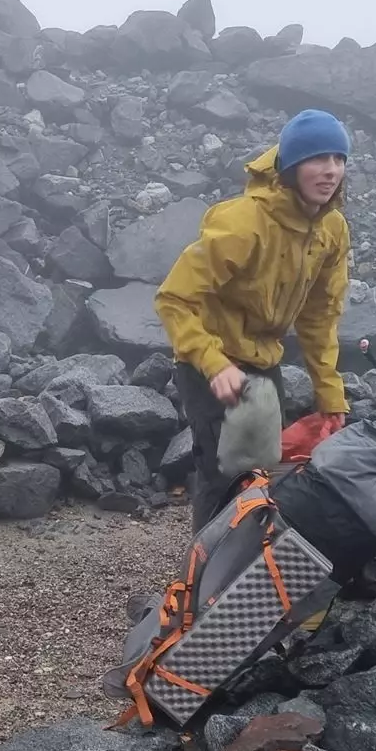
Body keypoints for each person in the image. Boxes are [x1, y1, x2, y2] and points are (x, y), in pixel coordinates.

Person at [155, 108, 353, 528]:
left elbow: (320, 316)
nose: (330, 170)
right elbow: (174, 299)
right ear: (293, 166)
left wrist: (329, 394)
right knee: (221, 472)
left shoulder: (331, 229)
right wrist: (214, 365)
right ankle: (202, 580)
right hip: (209, 357)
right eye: (319, 159)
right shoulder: (244, 223)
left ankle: (243, 563)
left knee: (261, 469)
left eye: (339, 159)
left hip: (264, 358)